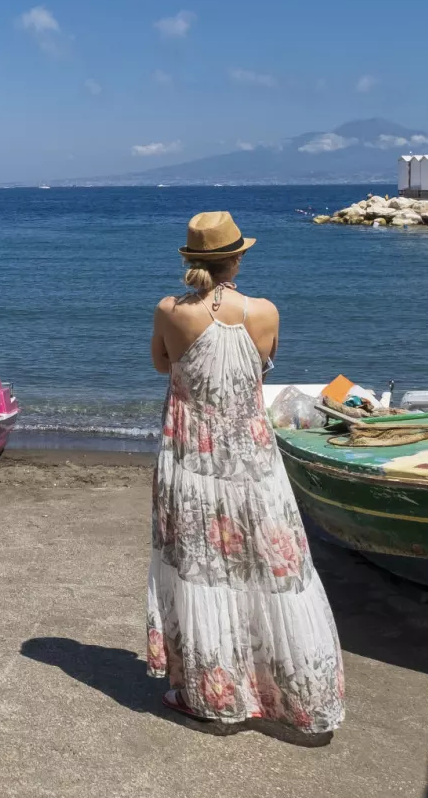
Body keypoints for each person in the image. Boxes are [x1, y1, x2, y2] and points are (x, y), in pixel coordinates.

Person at [146, 211, 344, 735]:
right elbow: (266, 361)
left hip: (191, 458)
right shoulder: (264, 311)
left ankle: (214, 697)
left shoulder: (170, 310)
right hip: (253, 463)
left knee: (205, 570)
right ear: (237, 258)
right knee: (271, 568)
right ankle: (298, 700)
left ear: (191, 259)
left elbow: (162, 364)